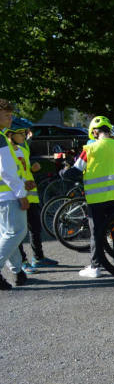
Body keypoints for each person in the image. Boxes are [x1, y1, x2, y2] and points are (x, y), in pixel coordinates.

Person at [63, 116, 114, 278]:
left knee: (97, 232)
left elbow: (75, 171)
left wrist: (63, 173)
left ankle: (95, 266)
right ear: (109, 131)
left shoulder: (90, 149)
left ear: (95, 132)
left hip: (97, 199)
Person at [5, 117, 58, 273]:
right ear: (11, 134)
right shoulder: (6, 150)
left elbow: (24, 169)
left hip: (30, 195)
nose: (25, 135)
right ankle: (23, 262)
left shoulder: (22, 149)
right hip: (17, 196)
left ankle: (38, 257)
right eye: (22, 132)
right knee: (19, 232)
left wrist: (33, 168)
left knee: (35, 227)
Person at [0, 99, 31, 290]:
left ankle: (18, 271)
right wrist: (21, 193)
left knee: (8, 233)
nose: (11, 119)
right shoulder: (1, 138)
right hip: (8, 195)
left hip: (3, 195)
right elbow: (6, 170)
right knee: (16, 232)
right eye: (7, 115)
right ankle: (16, 270)